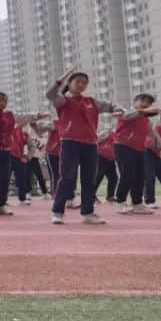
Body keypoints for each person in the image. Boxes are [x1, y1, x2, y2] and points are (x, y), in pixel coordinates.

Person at [46, 69, 120, 225]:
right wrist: (61, 79)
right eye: (77, 81)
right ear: (70, 84)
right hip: (69, 142)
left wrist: (120, 111)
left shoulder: (92, 102)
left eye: (84, 83)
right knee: (67, 177)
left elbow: (112, 107)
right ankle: (58, 211)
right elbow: (50, 95)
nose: (81, 85)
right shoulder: (63, 101)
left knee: (89, 179)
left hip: (91, 144)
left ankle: (88, 212)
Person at [0, 91, 43, 216]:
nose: (3, 102)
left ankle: (2, 204)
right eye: (0, 100)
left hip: (6, 150)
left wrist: (38, 115)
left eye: (5, 100)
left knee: (5, 178)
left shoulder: (10, 115)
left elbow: (24, 117)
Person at [112, 93, 161, 215]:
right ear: (135, 101)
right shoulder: (126, 112)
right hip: (123, 146)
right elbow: (126, 117)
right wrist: (143, 110)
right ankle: (120, 202)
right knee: (127, 175)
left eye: (148, 102)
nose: (145, 103)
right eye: (142, 100)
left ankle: (137, 203)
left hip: (140, 149)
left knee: (140, 177)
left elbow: (152, 134)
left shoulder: (146, 120)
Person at [92, 129, 118, 204]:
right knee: (98, 176)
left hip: (111, 159)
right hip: (102, 156)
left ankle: (110, 196)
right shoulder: (108, 132)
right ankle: (91, 196)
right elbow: (96, 138)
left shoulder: (121, 136)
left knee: (113, 178)